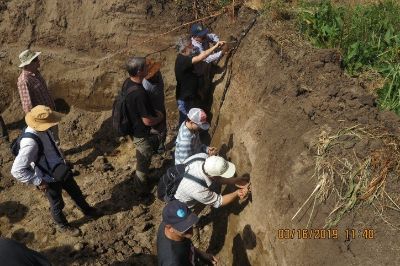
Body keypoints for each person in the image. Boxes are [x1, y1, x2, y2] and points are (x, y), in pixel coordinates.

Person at [11, 105, 100, 236]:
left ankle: (88, 210)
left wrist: (63, 159)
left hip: (60, 169)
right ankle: (63, 226)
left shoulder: (44, 129)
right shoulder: (29, 143)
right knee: (57, 204)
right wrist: (38, 181)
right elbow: (16, 170)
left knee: (76, 192)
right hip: (48, 178)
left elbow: (52, 148)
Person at [123, 57, 164, 190]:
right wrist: (160, 117)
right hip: (140, 134)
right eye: (146, 67)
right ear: (140, 71)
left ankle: (143, 180)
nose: (149, 70)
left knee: (145, 160)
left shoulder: (127, 82)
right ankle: (140, 189)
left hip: (132, 127)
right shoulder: (140, 93)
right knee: (142, 163)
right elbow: (147, 121)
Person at [175, 36, 225, 126]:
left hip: (191, 95)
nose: (193, 47)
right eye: (190, 46)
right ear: (183, 50)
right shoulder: (183, 60)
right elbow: (202, 56)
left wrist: (198, 91)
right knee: (186, 122)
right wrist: (215, 46)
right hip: (185, 99)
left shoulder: (184, 58)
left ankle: (195, 134)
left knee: (191, 120)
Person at [174, 153, 250, 211]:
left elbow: (217, 178)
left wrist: (235, 180)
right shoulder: (198, 190)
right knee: (192, 214)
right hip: (181, 203)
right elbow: (219, 202)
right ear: (211, 176)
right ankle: (195, 225)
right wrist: (237, 193)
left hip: (187, 183)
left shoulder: (203, 156)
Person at [157, 200, 218, 266]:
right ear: (170, 228)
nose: (190, 228)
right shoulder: (172, 262)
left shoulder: (170, 224)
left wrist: (202, 254)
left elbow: (187, 245)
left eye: (189, 222)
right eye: (183, 227)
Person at [17, 49, 59, 142]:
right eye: (36, 60)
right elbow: (27, 106)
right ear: (28, 64)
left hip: (50, 113)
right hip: (42, 119)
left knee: (55, 140)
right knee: (48, 143)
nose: (39, 61)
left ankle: (57, 153)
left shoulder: (36, 74)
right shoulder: (24, 81)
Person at [142, 59, 167, 154]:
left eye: (156, 72)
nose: (156, 74)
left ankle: (161, 148)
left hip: (160, 106)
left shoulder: (158, 75)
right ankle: (156, 151)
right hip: (153, 112)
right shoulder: (145, 86)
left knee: (163, 129)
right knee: (155, 133)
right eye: (153, 74)